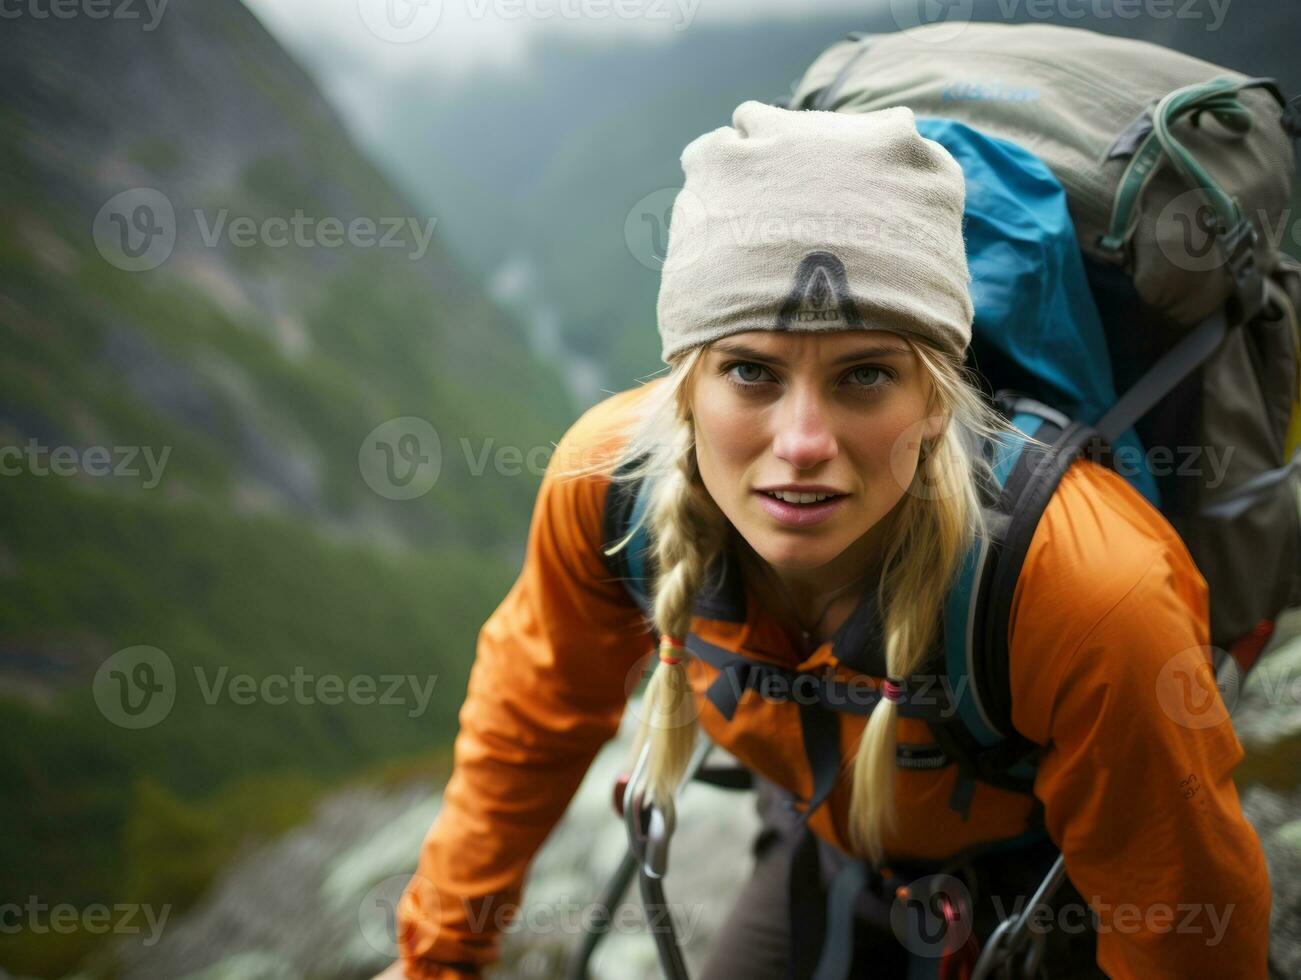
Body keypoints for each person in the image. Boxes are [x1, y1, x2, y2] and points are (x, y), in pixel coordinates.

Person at [376, 102, 1271, 980]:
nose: (802, 444)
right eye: (750, 372)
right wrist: (437, 959)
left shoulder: (1081, 588)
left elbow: (1187, 937)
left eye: (865, 375)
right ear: (684, 387)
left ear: (934, 400)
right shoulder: (607, 487)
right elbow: (533, 707)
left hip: (1057, 884)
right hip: (835, 855)